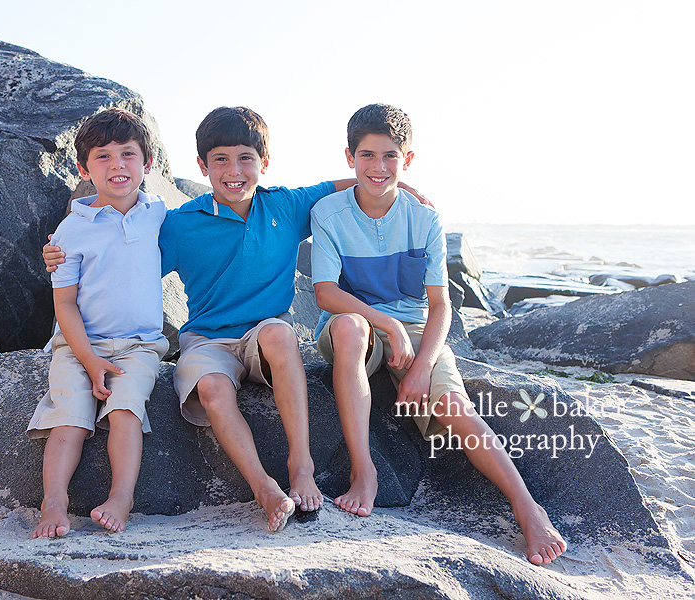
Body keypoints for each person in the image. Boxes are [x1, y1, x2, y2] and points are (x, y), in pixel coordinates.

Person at [45, 106, 428, 531]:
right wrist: (59, 256)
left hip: (265, 337)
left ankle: (300, 466)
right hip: (206, 340)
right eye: (221, 159)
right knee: (209, 386)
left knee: (282, 334)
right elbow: (121, 252)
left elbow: (344, 184)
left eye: (246, 158)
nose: (234, 171)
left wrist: (401, 183)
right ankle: (263, 487)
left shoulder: (287, 205)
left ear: (264, 162)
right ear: (202, 166)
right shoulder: (178, 224)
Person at [310, 103, 567, 565]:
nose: (378, 167)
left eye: (390, 156)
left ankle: (528, 509)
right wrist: (385, 324)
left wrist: (423, 365)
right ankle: (364, 472)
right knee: (349, 329)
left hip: (415, 326)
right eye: (367, 155)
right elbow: (326, 293)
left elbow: (441, 305)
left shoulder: (425, 219)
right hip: (355, 321)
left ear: (407, 160)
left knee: (453, 404)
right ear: (349, 157)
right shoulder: (329, 213)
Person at [27, 108, 169, 537]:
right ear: (83, 167)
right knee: (69, 417)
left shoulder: (157, 212)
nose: (117, 165)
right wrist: (88, 360)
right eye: (102, 156)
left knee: (125, 410)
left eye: (128, 154)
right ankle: (54, 503)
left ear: (148, 163)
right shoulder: (71, 230)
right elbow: (64, 304)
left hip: (139, 346)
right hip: (77, 344)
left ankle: (121, 498)